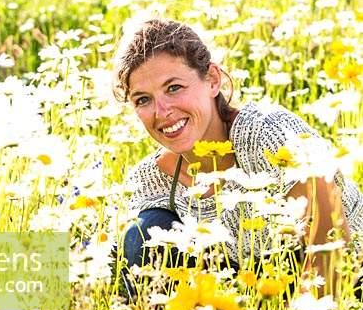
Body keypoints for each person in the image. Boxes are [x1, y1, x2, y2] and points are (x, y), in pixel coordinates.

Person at [113, 18, 362, 289]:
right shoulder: (151, 182)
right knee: (142, 233)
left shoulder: (269, 135)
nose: (162, 111)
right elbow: (105, 263)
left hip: (347, 282)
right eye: (143, 100)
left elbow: (332, 253)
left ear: (212, 80)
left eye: (174, 88)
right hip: (253, 300)